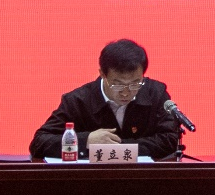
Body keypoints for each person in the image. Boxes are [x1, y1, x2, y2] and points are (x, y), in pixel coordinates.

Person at [30, 38, 179, 160]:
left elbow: (170, 140)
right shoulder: (77, 101)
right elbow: (39, 142)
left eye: (135, 84)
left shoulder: (156, 93)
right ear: (102, 74)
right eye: (117, 84)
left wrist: (117, 148)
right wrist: (86, 140)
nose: (126, 92)